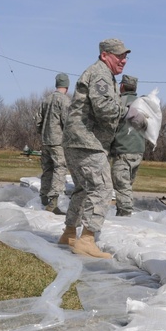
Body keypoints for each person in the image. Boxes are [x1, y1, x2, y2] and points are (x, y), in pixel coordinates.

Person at [60, 38, 145, 258]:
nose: (124, 60)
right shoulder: (101, 74)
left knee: (83, 188)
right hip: (86, 141)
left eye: (126, 56)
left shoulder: (104, 75)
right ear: (105, 55)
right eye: (119, 56)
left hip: (79, 139)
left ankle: (69, 233)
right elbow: (104, 108)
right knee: (103, 188)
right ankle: (87, 239)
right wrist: (129, 114)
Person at [110, 75, 146, 217]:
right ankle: (123, 214)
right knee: (127, 186)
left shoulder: (118, 102)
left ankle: (125, 217)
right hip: (138, 151)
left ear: (122, 86)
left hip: (123, 150)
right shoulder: (142, 104)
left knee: (121, 187)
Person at [37, 73, 70, 214]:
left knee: (47, 169)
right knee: (60, 168)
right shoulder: (65, 101)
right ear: (67, 86)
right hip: (58, 141)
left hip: (45, 140)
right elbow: (68, 122)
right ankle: (53, 202)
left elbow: (38, 120)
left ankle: (44, 198)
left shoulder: (46, 100)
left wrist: (43, 133)